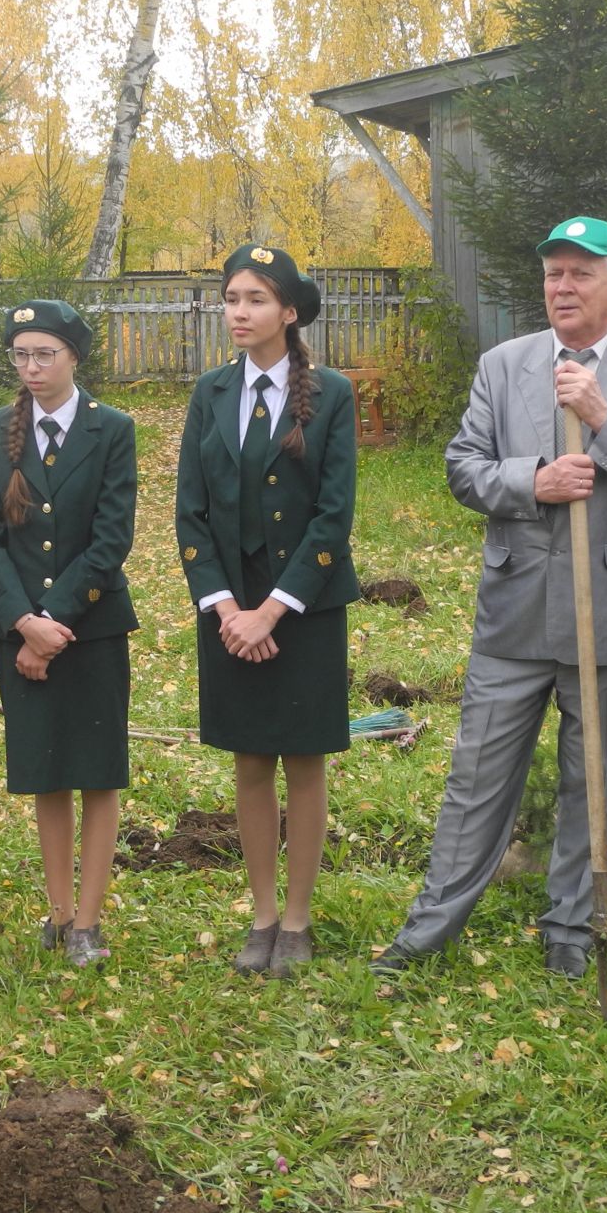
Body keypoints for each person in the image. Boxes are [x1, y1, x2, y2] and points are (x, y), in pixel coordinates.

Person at [375, 217, 607, 979]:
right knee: (477, 777)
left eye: (581, 273)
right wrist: (532, 480)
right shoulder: (505, 365)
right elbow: (464, 468)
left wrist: (603, 419)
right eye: (553, 273)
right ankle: (431, 926)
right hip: (515, 608)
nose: (563, 286)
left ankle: (572, 927)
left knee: (594, 781)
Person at [176, 243, 357, 978]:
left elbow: (333, 515)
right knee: (251, 761)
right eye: (230, 298)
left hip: (301, 607)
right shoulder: (210, 393)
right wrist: (228, 610)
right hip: (229, 608)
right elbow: (190, 513)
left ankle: (300, 919)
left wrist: (272, 613)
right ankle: (261, 915)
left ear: (288, 312)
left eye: (254, 299)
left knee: (304, 761)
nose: (238, 312)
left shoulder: (332, 395)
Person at [0, 299, 138, 967]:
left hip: (90, 629)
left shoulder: (112, 429)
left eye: (46, 354)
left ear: (74, 356)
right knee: (45, 773)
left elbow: (111, 539)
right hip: (17, 631)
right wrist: (21, 623)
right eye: (22, 355)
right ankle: (59, 910)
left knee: (96, 774)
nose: (33, 367)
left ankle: (89, 922)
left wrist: (53, 623)